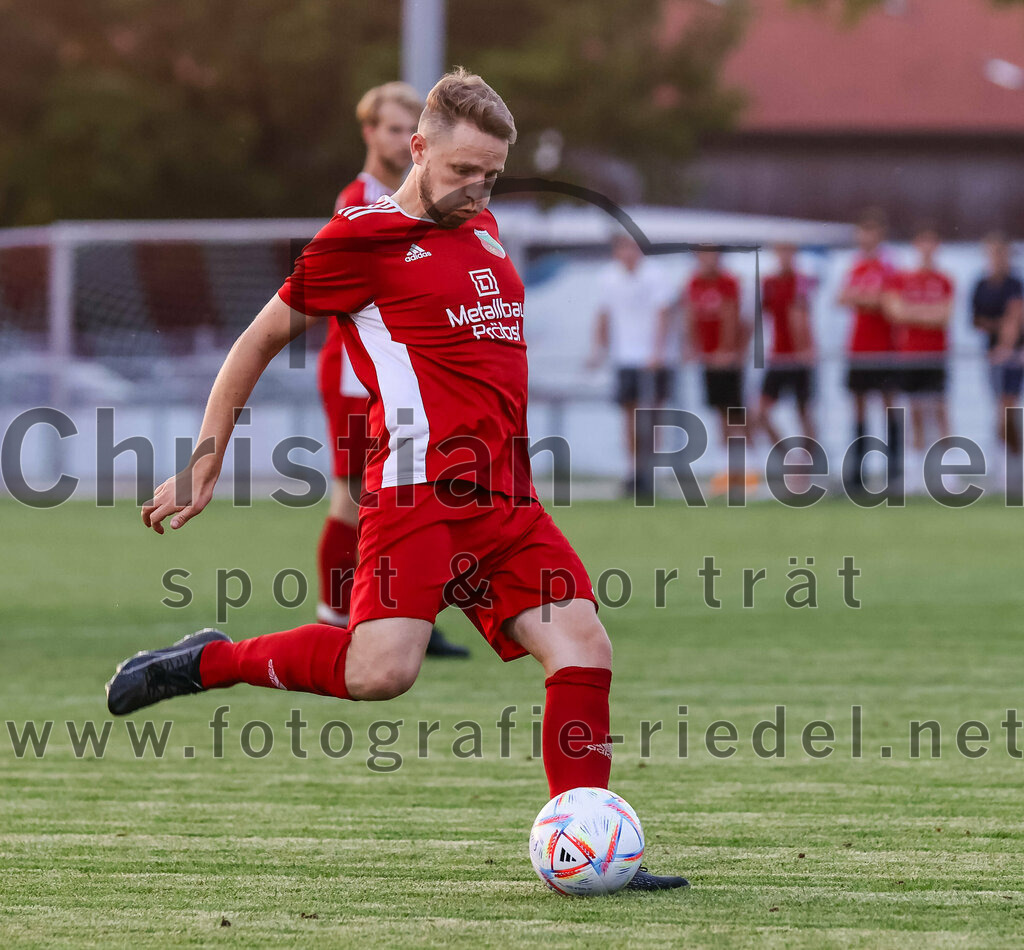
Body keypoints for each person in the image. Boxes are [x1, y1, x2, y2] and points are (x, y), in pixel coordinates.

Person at [106, 68, 688, 891]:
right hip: (416, 490)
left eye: (491, 174)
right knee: (381, 672)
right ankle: (213, 660)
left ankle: (590, 844)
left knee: (583, 642)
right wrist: (206, 460)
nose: (478, 189)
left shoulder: (484, 231)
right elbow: (256, 340)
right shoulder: (358, 239)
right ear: (418, 149)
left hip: (505, 496)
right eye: (462, 172)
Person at [320, 81, 467, 657]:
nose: (399, 137)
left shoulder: (416, 199)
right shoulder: (357, 199)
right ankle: (335, 621)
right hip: (359, 374)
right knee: (353, 496)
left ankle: (406, 617)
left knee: (411, 495)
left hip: (402, 374)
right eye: (388, 126)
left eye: (409, 127)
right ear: (369, 133)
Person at [586, 233, 675, 497]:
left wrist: (657, 352)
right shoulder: (608, 277)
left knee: (653, 415)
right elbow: (603, 315)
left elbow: (663, 315)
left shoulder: (656, 275)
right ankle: (632, 470)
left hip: (654, 359)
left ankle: (654, 472)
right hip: (625, 357)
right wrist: (598, 350)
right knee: (629, 416)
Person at [883, 226, 954, 489]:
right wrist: (927, 314)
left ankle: (948, 472)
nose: (927, 247)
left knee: (939, 410)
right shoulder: (903, 278)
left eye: (931, 242)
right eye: (922, 242)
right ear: (916, 245)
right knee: (914, 412)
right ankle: (916, 471)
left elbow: (944, 317)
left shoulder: (944, 280)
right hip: (909, 355)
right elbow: (895, 313)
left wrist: (914, 312)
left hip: (936, 355)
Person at [838, 209, 900, 494]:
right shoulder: (855, 267)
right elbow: (840, 297)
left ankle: (894, 471)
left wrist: (861, 299)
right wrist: (866, 299)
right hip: (858, 348)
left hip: (884, 349)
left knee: (889, 407)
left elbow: (888, 302)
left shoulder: (890, 267)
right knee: (859, 408)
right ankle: (856, 474)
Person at [683, 249, 750, 494]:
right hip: (709, 359)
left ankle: (746, 470)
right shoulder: (694, 282)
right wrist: (693, 347)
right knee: (720, 413)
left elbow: (731, 316)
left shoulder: (728, 282)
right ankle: (728, 471)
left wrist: (726, 349)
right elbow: (691, 315)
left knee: (735, 413)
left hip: (727, 360)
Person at [970, 232, 1023, 458]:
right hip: (991, 353)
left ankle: (1012, 455)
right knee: (1000, 406)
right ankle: (1008, 457)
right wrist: (998, 328)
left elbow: (1015, 317)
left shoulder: (1014, 284)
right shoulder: (981, 284)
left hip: (1014, 355)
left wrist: (1006, 346)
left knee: (1007, 406)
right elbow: (976, 321)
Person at [758, 243, 816, 445]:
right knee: (760, 412)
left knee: (803, 412)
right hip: (779, 355)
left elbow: (801, 316)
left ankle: (810, 464)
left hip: (799, 357)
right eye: (781, 251)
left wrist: (806, 349)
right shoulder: (769, 282)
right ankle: (789, 460)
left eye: (788, 251)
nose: (784, 256)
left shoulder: (802, 281)